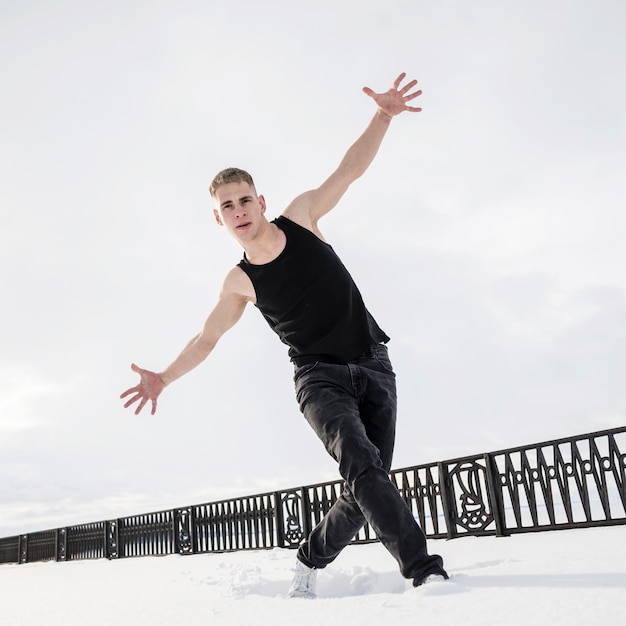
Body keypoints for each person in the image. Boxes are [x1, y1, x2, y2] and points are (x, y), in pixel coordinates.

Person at [121, 73, 449, 597]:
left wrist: (382, 116)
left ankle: (309, 558)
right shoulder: (239, 281)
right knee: (363, 468)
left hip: (373, 365)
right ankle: (424, 570)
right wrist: (163, 376)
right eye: (227, 206)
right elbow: (207, 339)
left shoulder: (301, 216)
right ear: (219, 218)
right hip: (318, 380)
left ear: (260, 200)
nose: (238, 211)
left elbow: (349, 171)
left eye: (244, 200)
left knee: (368, 485)